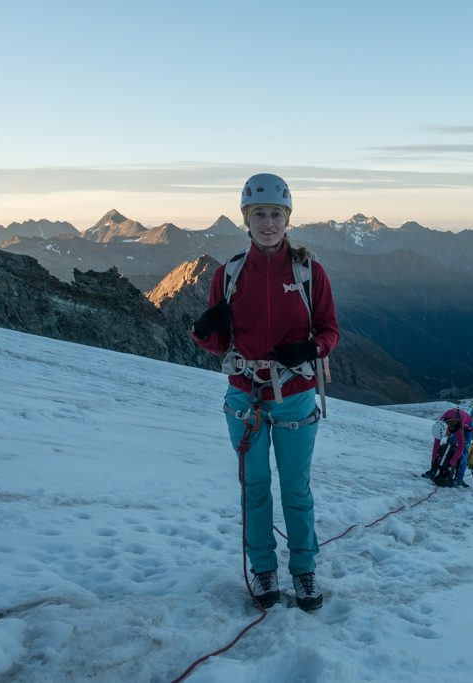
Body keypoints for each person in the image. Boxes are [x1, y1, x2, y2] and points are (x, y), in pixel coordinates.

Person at [192, 172, 339, 612]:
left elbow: (330, 329)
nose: (269, 223)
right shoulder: (229, 274)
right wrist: (204, 334)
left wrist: (313, 347)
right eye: (260, 214)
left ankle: (303, 569)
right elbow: (222, 342)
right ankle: (263, 568)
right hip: (245, 396)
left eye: (276, 213)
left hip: (294, 392)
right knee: (255, 486)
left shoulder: (310, 272)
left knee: (295, 487)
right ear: (246, 219)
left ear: (288, 218)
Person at [422, 406, 472, 487]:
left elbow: (461, 447)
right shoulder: (439, 427)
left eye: (447, 434)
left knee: (464, 451)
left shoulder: (457, 426)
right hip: (452, 420)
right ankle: (441, 471)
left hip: (468, 426)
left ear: (447, 429)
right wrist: (433, 464)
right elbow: (436, 446)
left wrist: (451, 463)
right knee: (450, 447)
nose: (447, 435)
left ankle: (459, 478)